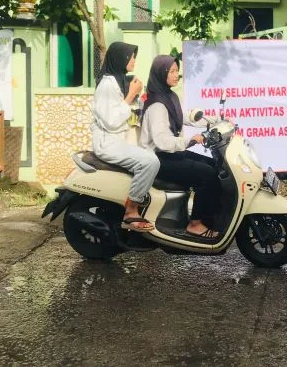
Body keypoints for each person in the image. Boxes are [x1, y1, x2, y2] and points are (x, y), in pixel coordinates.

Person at [140, 54, 221, 240]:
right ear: (161, 73)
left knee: (216, 166)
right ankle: (195, 224)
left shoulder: (168, 96)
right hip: (158, 159)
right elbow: (163, 142)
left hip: (170, 154)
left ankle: (210, 218)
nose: (177, 74)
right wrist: (191, 140)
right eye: (172, 71)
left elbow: (184, 117)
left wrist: (216, 120)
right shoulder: (156, 105)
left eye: (178, 70)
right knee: (207, 175)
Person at [92, 41, 160, 232]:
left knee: (152, 154)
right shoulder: (107, 84)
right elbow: (111, 120)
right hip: (108, 143)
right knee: (150, 162)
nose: (134, 61)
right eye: (131, 57)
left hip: (119, 139)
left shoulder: (119, 80)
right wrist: (131, 95)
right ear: (120, 58)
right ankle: (131, 211)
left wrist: (137, 97)